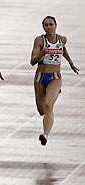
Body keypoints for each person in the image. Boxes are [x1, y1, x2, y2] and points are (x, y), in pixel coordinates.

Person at [30, 16, 79, 146]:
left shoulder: (62, 39)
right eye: (46, 25)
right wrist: (41, 54)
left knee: (48, 105)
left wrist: (70, 62)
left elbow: (63, 49)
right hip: (40, 77)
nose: (49, 27)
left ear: (56, 25)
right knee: (42, 110)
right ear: (43, 27)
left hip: (55, 77)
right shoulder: (40, 40)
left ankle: (45, 134)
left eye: (51, 24)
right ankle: (54, 92)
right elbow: (32, 61)